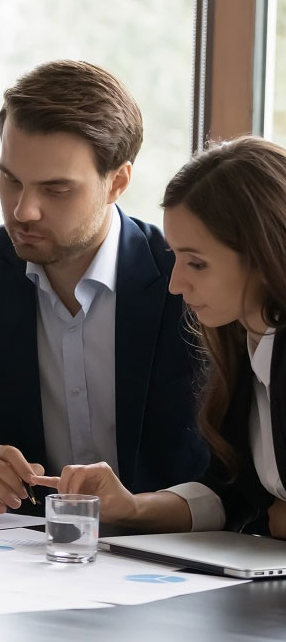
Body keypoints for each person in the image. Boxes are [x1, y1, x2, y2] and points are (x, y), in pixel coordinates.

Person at [0, 61, 207, 515]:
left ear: (118, 182)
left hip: (170, 551)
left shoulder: (185, 278)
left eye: (56, 189)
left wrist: (141, 510)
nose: (24, 210)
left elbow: (234, 468)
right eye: (11, 180)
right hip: (26, 554)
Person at [33, 136, 286, 537]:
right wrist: (131, 507)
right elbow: (231, 494)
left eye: (197, 264)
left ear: (266, 253)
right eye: (176, 258)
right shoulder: (243, 346)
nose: (175, 284)